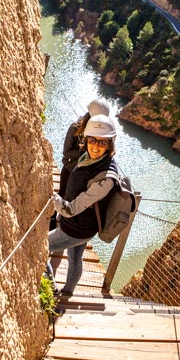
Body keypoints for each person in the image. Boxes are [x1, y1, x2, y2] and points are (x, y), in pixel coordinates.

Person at [47, 114, 119, 296]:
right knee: (75, 257)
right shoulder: (88, 158)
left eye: (102, 143)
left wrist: (50, 198)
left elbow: (71, 209)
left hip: (76, 227)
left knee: (40, 247)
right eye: (92, 140)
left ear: (109, 145)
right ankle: (68, 292)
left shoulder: (106, 178)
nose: (96, 146)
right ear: (86, 139)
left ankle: (51, 291)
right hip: (84, 224)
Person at [50, 98, 110, 230]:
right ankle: (53, 223)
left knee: (76, 201)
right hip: (71, 170)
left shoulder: (100, 136)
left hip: (84, 173)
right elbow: (67, 152)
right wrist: (86, 152)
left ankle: (68, 225)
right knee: (62, 195)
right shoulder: (75, 128)